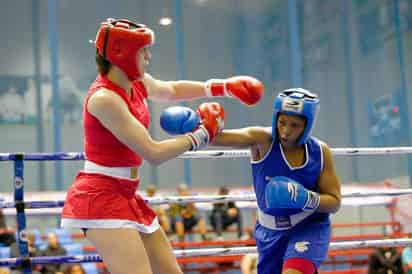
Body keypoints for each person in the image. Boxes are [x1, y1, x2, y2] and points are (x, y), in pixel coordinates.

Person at [60, 18, 263, 274]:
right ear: (121, 54)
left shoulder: (136, 83)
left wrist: (223, 87)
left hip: (127, 193)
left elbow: (171, 90)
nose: (148, 56)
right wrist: (203, 134)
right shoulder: (105, 99)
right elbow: (153, 152)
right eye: (143, 50)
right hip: (100, 196)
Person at [160, 88, 341, 274]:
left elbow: (334, 201)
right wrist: (196, 128)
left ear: (307, 125)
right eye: (282, 122)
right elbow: (221, 139)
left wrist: (306, 199)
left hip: (308, 225)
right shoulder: (262, 140)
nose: (285, 131)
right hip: (269, 231)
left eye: (294, 125)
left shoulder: (319, 152)